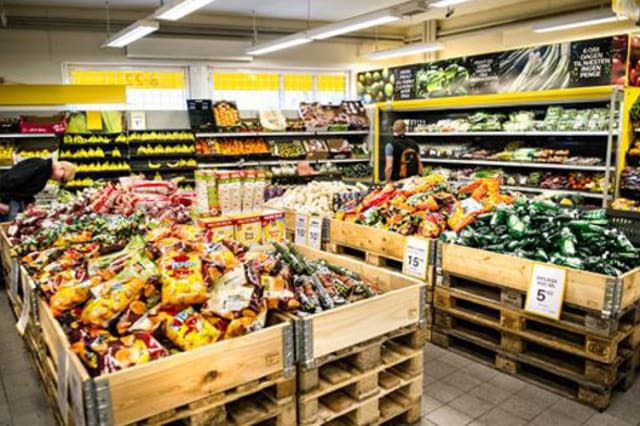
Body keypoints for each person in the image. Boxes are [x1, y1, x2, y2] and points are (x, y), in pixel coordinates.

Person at [0, 159, 75, 221]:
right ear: (61, 168)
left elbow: (25, 190)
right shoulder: (39, 165)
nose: (58, 181)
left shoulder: (45, 174)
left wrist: (30, 204)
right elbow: (9, 181)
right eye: (62, 179)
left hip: (12, 203)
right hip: (5, 202)